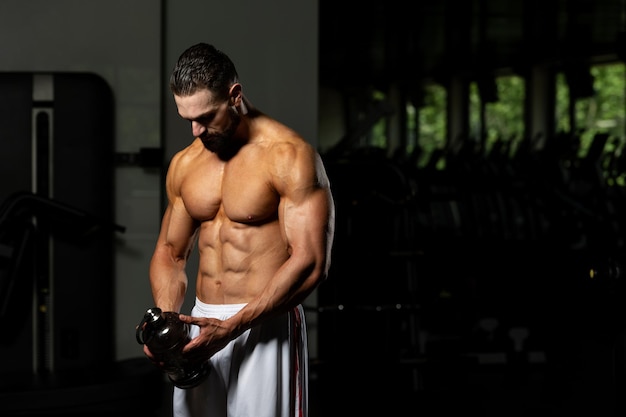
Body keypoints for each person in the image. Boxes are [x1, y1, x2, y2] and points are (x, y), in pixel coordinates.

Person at [143, 42, 335, 417]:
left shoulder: (289, 156)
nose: (196, 131)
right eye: (188, 120)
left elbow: (311, 262)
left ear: (234, 95)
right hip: (200, 325)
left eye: (206, 117)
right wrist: (169, 323)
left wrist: (231, 328)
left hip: (266, 325)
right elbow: (170, 251)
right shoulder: (185, 164)